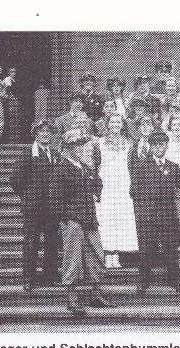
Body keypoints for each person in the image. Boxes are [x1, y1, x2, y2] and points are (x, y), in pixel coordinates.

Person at [51, 127, 115, 315]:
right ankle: (72, 297)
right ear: (68, 148)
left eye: (81, 145)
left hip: (89, 218)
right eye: (75, 145)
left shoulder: (85, 167)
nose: (80, 148)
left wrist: (95, 175)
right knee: (73, 258)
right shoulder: (61, 168)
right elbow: (54, 198)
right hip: (73, 220)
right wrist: (65, 219)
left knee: (96, 255)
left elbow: (97, 185)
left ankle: (95, 294)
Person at [130, 130, 180, 292]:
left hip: (167, 216)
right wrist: (143, 211)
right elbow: (133, 192)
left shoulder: (173, 167)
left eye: (161, 145)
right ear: (150, 147)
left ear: (167, 146)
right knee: (146, 250)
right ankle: (143, 282)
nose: (158, 148)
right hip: (148, 217)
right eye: (155, 145)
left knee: (171, 250)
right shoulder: (141, 167)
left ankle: (175, 281)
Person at [9, 120, 60, 291]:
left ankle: (49, 275)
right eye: (41, 131)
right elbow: (15, 179)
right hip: (33, 208)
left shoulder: (55, 153)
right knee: (31, 242)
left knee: (52, 241)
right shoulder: (27, 154)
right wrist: (26, 197)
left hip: (51, 208)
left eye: (48, 131)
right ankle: (28, 278)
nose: (45, 134)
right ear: (35, 134)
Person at [95, 113, 138, 270]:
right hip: (107, 184)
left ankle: (117, 254)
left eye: (118, 122)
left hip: (123, 185)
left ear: (122, 124)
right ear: (107, 124)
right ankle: (108, 254)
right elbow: (96, 165)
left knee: (120, 219)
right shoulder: (99, 143)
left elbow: (132, 166)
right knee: (107, 219)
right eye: (112, 122)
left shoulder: (129, 143)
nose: (115, 124)